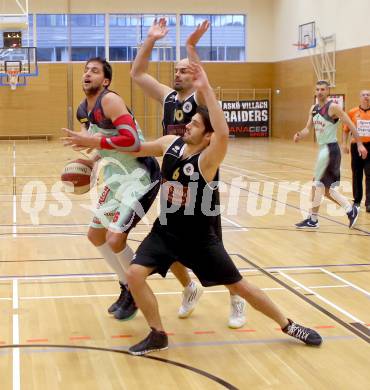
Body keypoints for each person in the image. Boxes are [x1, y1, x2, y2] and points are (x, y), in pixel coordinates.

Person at [122, 62, 323, 355]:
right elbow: (137, 149)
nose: (187, 125)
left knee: (240, 286)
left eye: (194, 124)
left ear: (207, 136)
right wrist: (94, 143)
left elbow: (224, 133)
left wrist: (205, 89)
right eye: (188, 122)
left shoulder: (207, 160)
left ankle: (288, 324)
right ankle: (158, 334)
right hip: (164, 232)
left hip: (199, 241)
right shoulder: (171, 144)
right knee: (134, 275)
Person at [130, 18, 246, 328]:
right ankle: (190, 288)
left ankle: (237, 298)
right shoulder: (169, 98)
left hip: (201, 179)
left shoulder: (200, 101)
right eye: (177, 70)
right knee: (168, 238)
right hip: (174, 176)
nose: (179, 73)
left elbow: (203, 85)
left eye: (185, 69)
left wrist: (192, 52)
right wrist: (151, 39)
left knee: (213, 245)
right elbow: (137, 73)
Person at [63, 57, 161, 321]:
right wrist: (90, 162)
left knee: (115, 239)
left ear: (105, 81)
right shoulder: (84, 110)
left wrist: (92, 140)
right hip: (116, 176)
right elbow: (101, 144)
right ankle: (126, 286)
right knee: (96, 236)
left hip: (140, 175)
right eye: (85, 70)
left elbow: (130, 139)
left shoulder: (111, 100)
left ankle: (137, 293)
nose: (87, 74)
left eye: (94, 71)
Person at [294, 80, 368, 229]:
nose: (320, 92)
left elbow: (351, 125)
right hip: (322, 150)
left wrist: (359, 143)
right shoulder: (313, 108)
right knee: (317, 186)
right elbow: (308, 128)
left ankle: (349, 209)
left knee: (322, 188)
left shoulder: (333, 107)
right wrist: (299, 135)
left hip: (331, 150)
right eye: (317, 89)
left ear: (328, 91)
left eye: (322, 89)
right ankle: (313, 220)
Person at [342, 90, 370, 212]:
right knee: (357, 173)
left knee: (369, 174)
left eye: (368, 95)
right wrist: (344, 144)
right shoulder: (353, 112)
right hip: (356, 146)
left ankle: (369, 203)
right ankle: (357, 201)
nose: (366, 97)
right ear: (360, 97)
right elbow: (345, 130)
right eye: (363, 95)